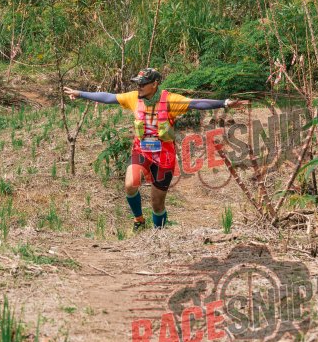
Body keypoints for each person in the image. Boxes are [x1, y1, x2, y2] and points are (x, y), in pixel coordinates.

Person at [64, 68, 240, 231]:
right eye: (137, 84)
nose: (138, 87)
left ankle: (158, 235)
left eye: (142, 84)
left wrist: (224, 103)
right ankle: (139, 220)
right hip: (141, 152)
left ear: (154, 84)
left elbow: (197, 103)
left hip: (164, 157)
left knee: (157, 204)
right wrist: (80, 93)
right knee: (130, 185)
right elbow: (109, 97)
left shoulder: (170, 100)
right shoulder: (133, 98)